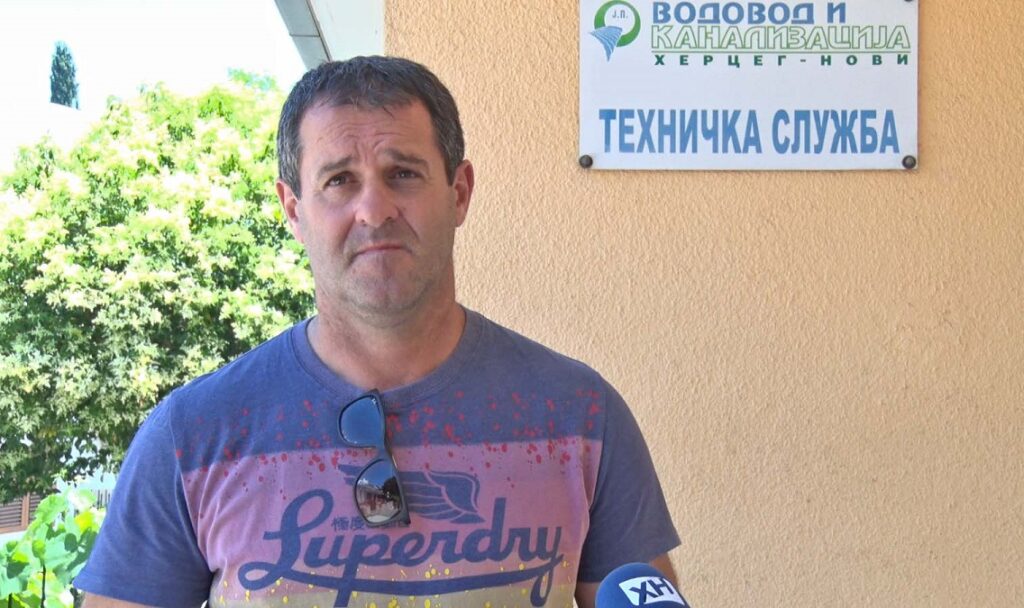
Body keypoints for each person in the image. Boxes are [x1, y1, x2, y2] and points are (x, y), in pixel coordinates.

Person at [74, 56, 679, 608]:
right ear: (293, 210)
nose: (374, 209)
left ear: (459, 192)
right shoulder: (194, 436)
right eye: (339, 180)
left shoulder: (580, 417)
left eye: (404, 173)